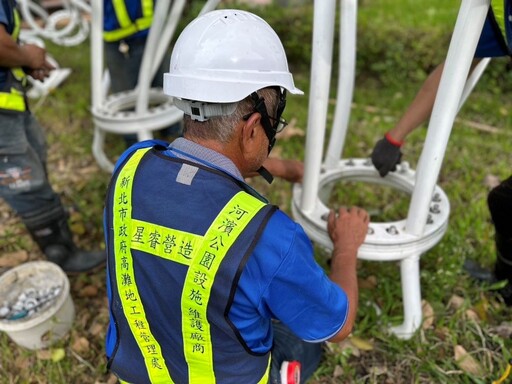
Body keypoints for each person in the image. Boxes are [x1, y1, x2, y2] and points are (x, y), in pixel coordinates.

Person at [104, 9, 370, 383]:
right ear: (252, 129)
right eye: (274, 124)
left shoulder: (129, 169)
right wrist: (346, 247)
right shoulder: (272, 238)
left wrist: (279, 167)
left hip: (142, 373)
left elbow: (193, 164)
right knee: (301, 336)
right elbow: (338, 326)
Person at [370, 2, 512, 305]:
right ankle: (507, 285)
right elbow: (455, 69)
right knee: (505, 203)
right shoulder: (497, 9)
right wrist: (394, 137)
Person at [0, 0, 104, 273]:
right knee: (25, 184)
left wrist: (23, 61)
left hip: (11, 108)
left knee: (35, 163)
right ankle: (62, 256)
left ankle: (59, 241)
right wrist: (25, 55)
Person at [103, 0, 182, 147]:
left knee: (166, 86)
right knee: (126, 97)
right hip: (117, 39)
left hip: (152, 32)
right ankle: (135, 145)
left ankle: (172, 135)